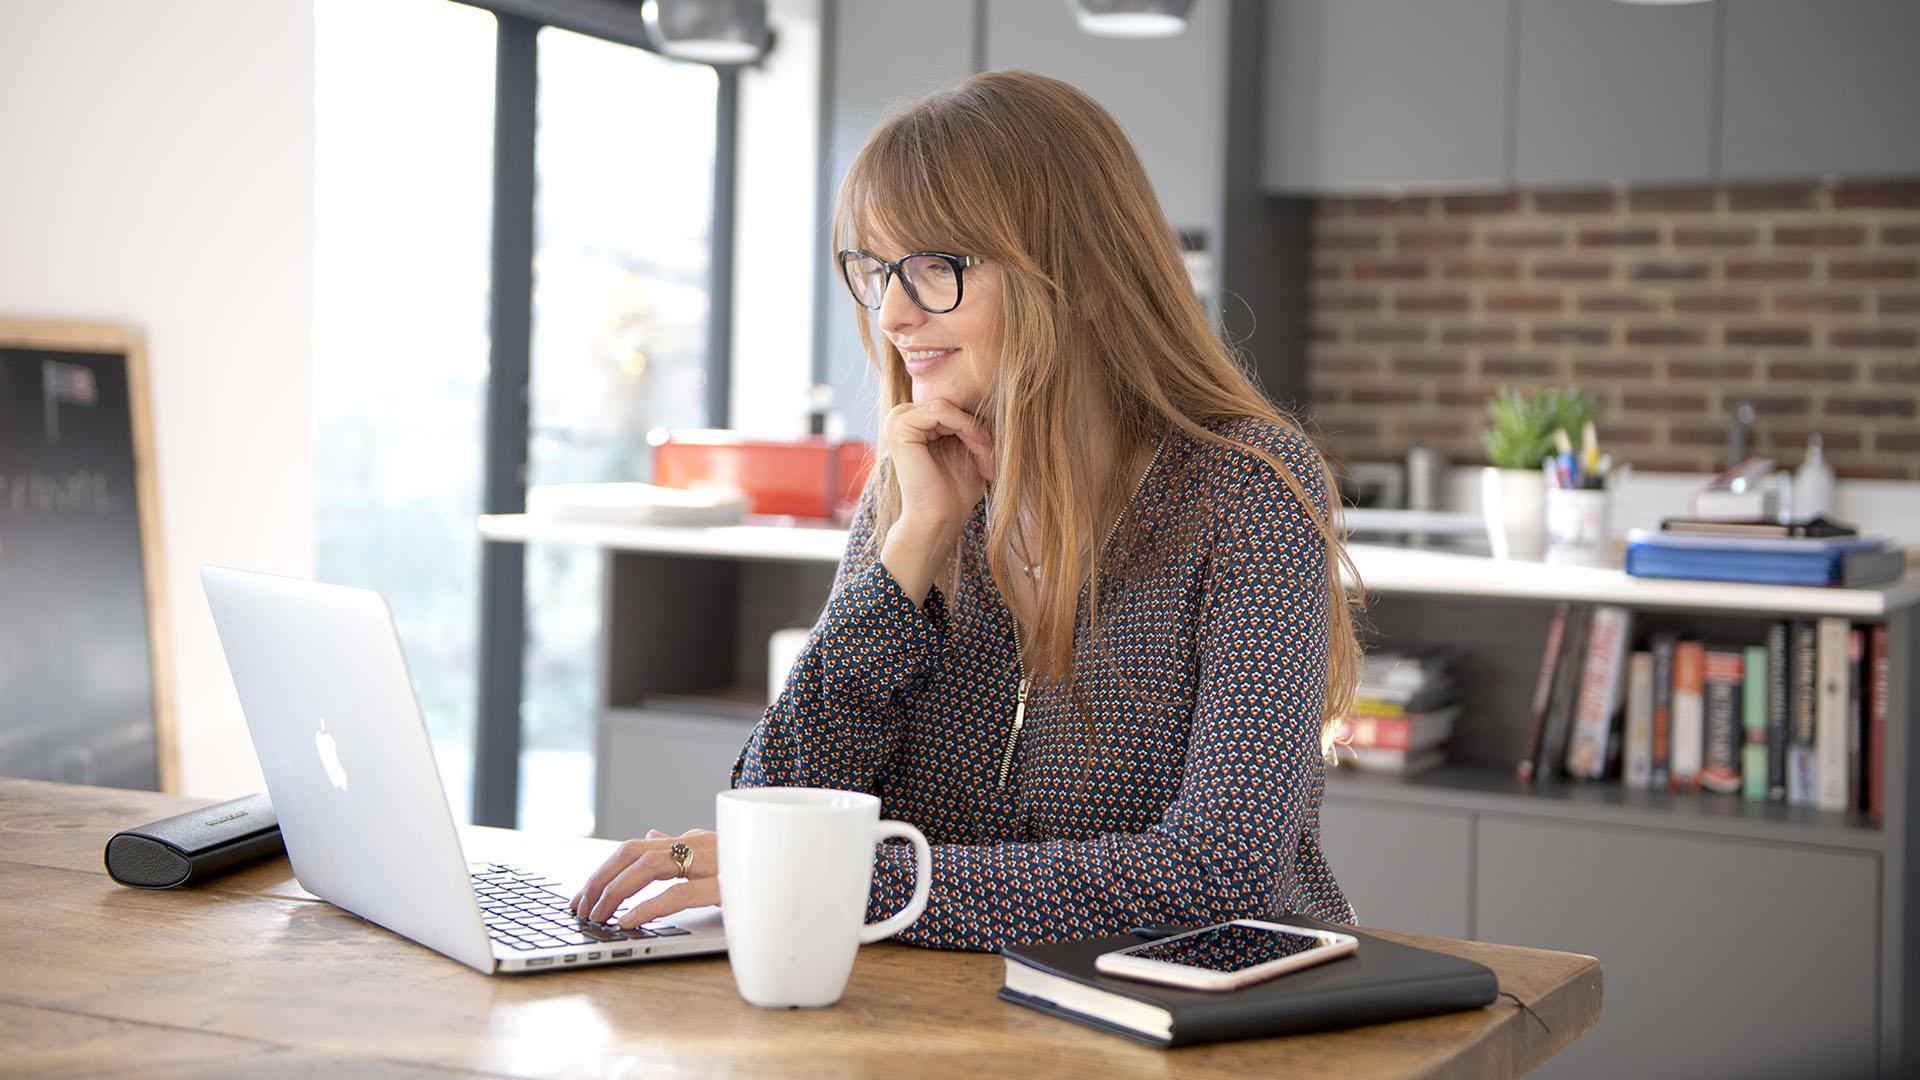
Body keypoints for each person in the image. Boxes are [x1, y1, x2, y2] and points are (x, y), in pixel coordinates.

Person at [572, 69, 1364, 951]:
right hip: (949, 1013)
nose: (896, 313)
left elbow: (1220, 869)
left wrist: (836, 877)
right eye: (875, 271)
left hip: (1197, 1026)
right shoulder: (917, 493)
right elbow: (777, 804)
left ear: (1084, 276)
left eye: (937, 267)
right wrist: (912, 552)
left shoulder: (1245, 489)